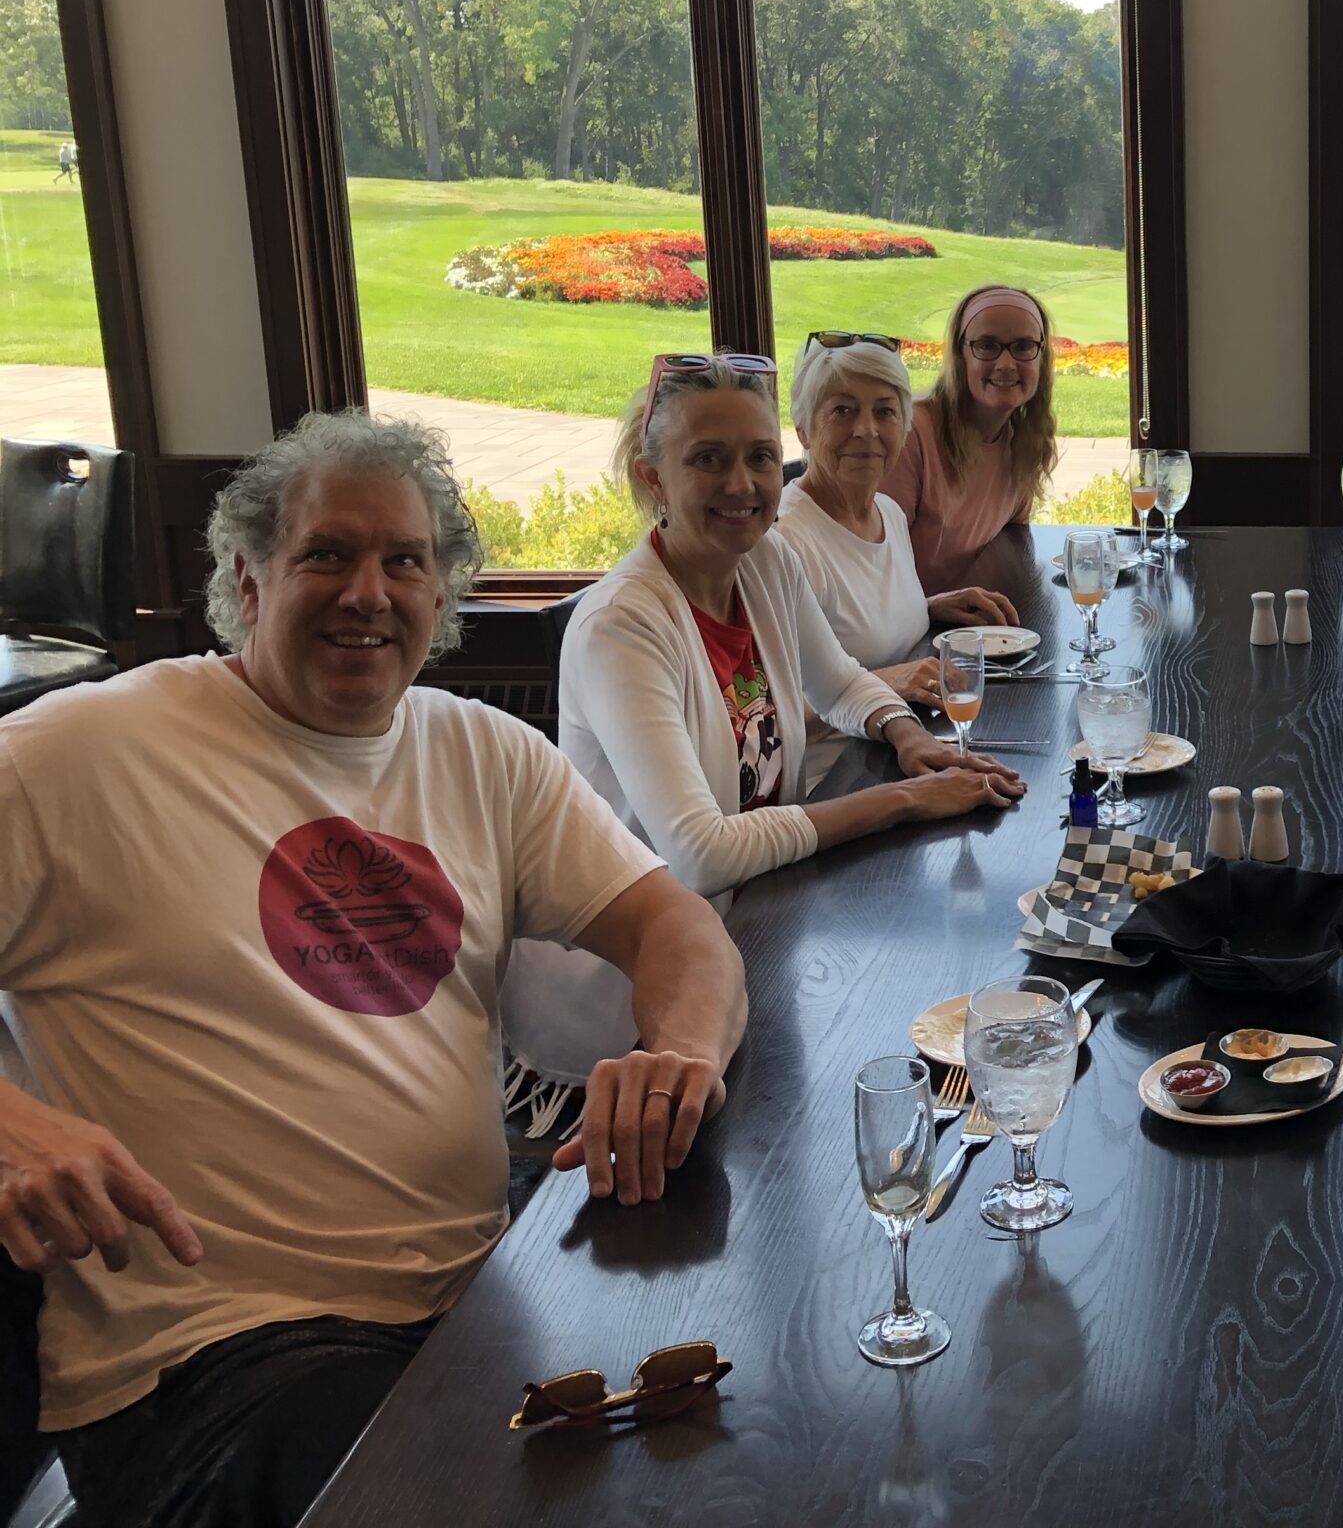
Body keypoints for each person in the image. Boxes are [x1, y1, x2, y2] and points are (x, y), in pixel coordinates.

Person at [0, 411, 748, 1527]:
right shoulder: (80, 754)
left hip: (471, 1310)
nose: (369, 593)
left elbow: (675, 926)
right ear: (245, 583)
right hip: (211, 1365)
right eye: (326, 556)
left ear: (440, 597)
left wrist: (679, 1048)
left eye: (405, 561)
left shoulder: (480, 751)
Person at [506, 355, 1022, 1117]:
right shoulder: (623, 625)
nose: (743, 485)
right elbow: (701, 852)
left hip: (754, 941)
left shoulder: (765, 560)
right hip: (631, 1022)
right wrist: (904, 800)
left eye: (757, 458)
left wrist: (907, 735)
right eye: (707, 460)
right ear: (653, 478)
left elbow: (842, 681)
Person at [773, 329, 1020, 709]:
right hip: (843, 764)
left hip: (910, 733)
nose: (866, 429)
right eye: (843, 410)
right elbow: (770, 715)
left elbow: (859, 629)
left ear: (905, 426)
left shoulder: (887, 512)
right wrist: (886, 683)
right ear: (803, 428)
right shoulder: (786, 543)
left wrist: (925, 606)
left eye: (885, 411)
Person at [879, 285, 1059, 592]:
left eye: (1024, 346)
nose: (1005, 364)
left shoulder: (1025, 438)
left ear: (1041, 358)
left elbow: (1012, 536)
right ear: (959, 355)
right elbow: (875, 566)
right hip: (908, 627)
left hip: (971, 622)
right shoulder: (911, 434)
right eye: (987, 346)